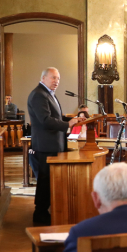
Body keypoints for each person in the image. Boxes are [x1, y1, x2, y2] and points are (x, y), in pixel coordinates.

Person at [26, 67, 85, 225]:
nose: (56, 81)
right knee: (45, 183)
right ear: (43, 78)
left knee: (50, 182)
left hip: (53, 146)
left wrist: (72, 119)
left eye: (58, 78)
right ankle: (40, 217)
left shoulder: (47, 94)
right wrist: (68, 124)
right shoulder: (39, 95)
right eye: (53, 78)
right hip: (45, 147)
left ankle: (48, 213)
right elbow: (45, 121)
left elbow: (56, 117)